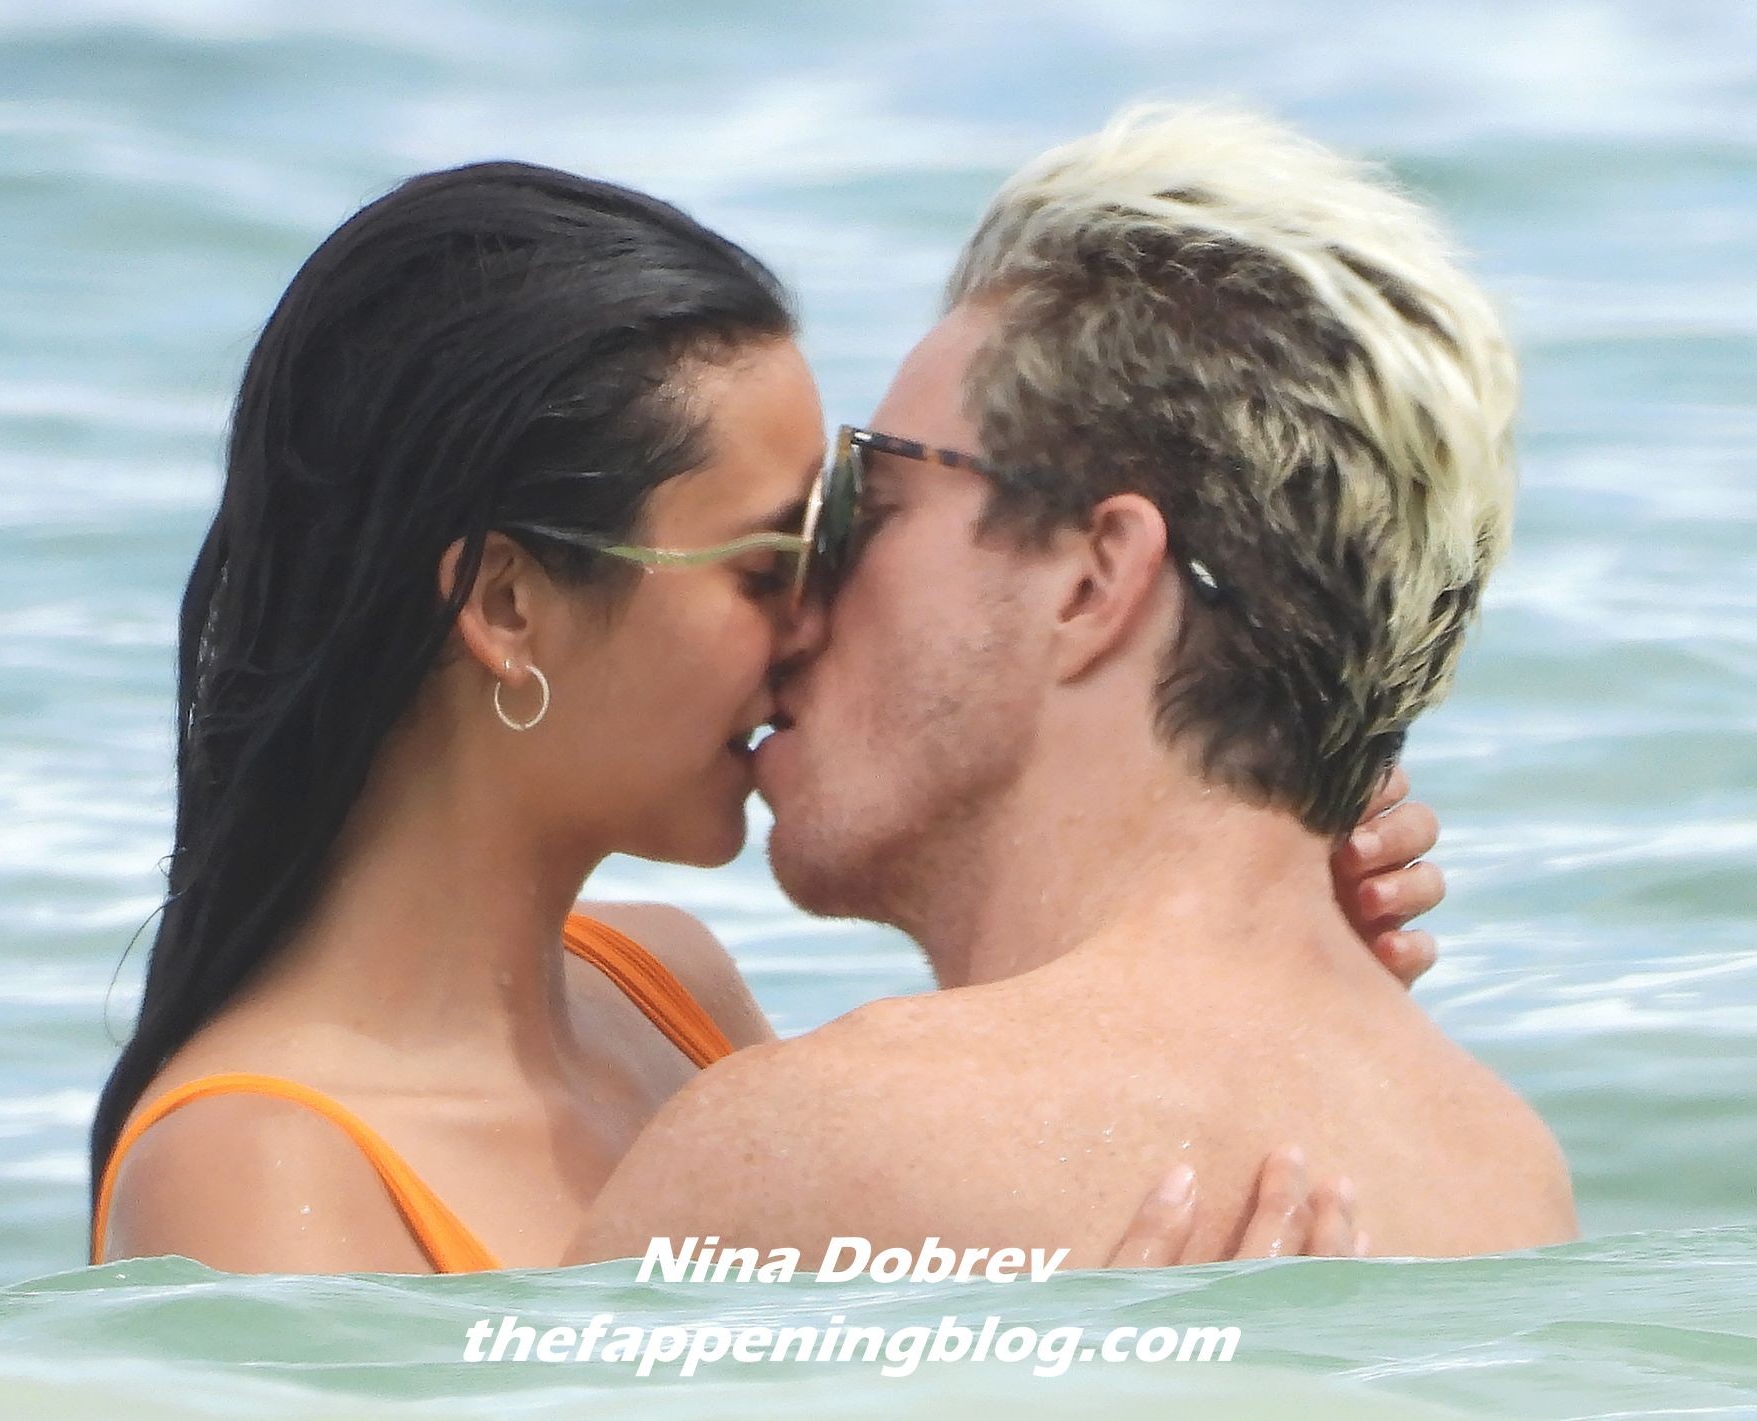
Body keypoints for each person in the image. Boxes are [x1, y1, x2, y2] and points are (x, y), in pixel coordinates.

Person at [90, 157, 1446, 1275]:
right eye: (763, 568)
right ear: (505, 604)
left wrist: (1240, 946)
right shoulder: (252, 1164)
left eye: (841, 536)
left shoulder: (667, 986)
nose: (821, 620)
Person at [566, 105, 1579, 1268]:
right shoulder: (1502, 1168)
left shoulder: (815, 1150)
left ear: (1095, 578)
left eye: (868, 505)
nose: (802, 597)